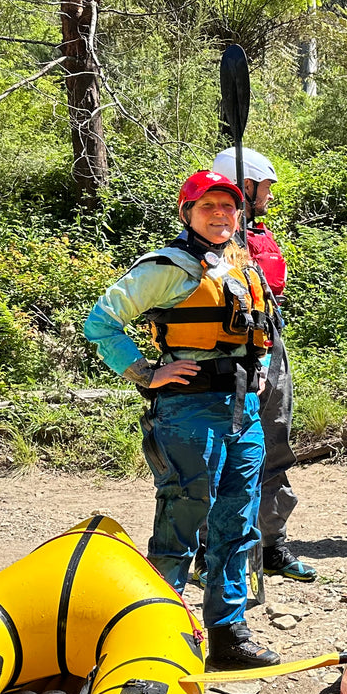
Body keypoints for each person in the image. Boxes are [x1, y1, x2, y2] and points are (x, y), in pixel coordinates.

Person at [84, 170, 280, 668]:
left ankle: (228, 631)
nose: (220, 215)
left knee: (237, 521)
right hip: (189, 410)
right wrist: (145, 371)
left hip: (243, 410)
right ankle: (157, 631)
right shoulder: (168, 267)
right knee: (183, 517)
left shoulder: (239, 266)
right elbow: (101, 320)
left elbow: (257, 331)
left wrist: (256, 375)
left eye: (228, 207)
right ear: (187, 213)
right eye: (207, 206)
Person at [205, 146, 316, 583]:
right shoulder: (216, 239)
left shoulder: (261, 236)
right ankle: (215, 551)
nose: (269, 194)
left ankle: (272, 544)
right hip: (233, 358)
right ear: (244, 186)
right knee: (227, 456)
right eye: (264, 187)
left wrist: (271, 355)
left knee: (276, 447)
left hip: (273, 345)